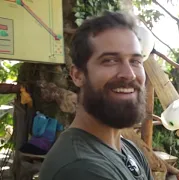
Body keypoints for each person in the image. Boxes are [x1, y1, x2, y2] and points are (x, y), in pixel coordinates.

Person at [39, 11, 153, 180]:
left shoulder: (128, 149)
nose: (129, 74)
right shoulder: (82, 167)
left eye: (135, 61)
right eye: (110, 60)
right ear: (78, 75)